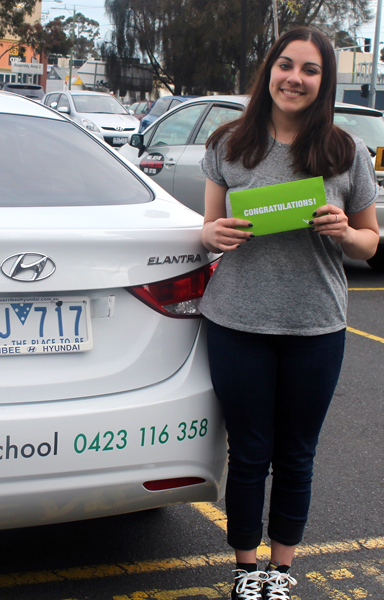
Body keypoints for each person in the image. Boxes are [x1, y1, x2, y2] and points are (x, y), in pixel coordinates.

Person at [199, 27, 379, 600]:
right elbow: (207, 229)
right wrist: (213, 232)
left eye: (310, 70)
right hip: (237, 322)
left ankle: (281, 568)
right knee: (249, 451)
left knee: (297, 453)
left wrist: (345, 231)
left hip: (315, 326)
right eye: (286, 65)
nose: (294, 78)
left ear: (324, 83)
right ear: (268, 71)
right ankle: (246, 567)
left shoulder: (343, 151)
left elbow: (372, 241)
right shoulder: (228, 143)